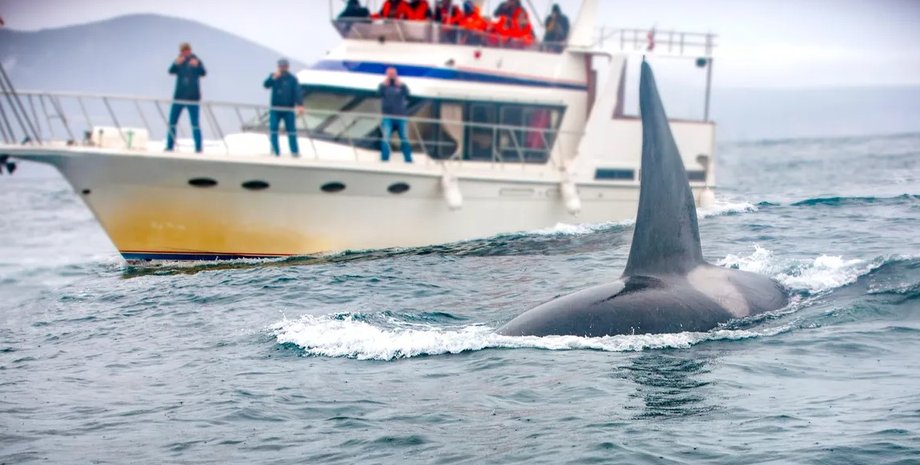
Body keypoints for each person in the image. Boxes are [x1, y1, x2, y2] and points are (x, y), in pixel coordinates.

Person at [166, 42, 206, 153]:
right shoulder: (179, 61)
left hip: (193, 98)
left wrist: (197, 65)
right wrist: (176, 63)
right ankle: (169, 145)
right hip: (179, 97)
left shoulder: (196, 60)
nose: (185, 53)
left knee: (195, 123)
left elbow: (203, 72)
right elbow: (170, 71)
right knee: (172, 122)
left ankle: (198, 147)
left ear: (190, 50)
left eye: (187, 50)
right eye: (183, 51)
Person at [263, 59, 304, 157]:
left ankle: (294, 152)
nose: (282, 68)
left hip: (288, 109)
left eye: (284, 66)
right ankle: (275, 151)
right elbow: (266, 85)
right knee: (273, 128)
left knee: (291, 130)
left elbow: (297, 92)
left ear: (287, 67)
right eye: (280, 66)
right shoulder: (273, 76)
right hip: (275, 109)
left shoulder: (292, 79)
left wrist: (300, 104)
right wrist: (273, 78)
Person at [378, 67, 412, 163]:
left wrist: (400, 84)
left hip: (401, 116)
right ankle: (384, 158)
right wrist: (385, 84)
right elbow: (378, 93)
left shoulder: (401, 86)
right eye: (390, 74)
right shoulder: (383, 86)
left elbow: (407, 93)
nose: (392, 76)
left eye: (393, 74)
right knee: (386, 138)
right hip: (387, 116)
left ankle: (408, 159)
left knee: (404, 138)